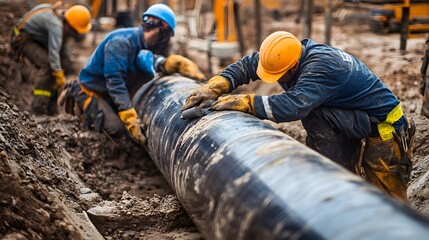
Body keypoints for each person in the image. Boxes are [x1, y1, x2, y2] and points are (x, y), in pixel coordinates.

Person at [182, 31, 415, 202]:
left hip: (386, 129)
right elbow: (247, 66)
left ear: (293, 66)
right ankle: (340, 182)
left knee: (389, 198)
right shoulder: (285, 54)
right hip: (355, 117)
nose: (277, 79)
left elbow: (291, 107)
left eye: (280, 76)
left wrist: (246, 102)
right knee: (317, 115)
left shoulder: (321, 69)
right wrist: (215, 86)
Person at [59, 3, 205, 145]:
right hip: (91, 90)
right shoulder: (121, 43)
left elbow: (142, 60)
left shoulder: (139, 42)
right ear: (161, 31)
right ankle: (83, 115)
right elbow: (115, 81)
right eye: (167, 36)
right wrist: (127, 113)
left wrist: (164, 63)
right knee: (116, 128)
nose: (166, 41)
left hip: (107, 92)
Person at [11, 3, 92, 115]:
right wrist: (59, 75)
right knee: (49, 65)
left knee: (61, 64)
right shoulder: (56, 26)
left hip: (36, 39)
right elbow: (54, 54)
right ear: (69, 25)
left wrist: (66, 65)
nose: (74, 35)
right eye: (74, 31)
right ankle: (38, 107)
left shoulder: (62, 22)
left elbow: (62, 52)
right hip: (23, 39)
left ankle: (52, 108)